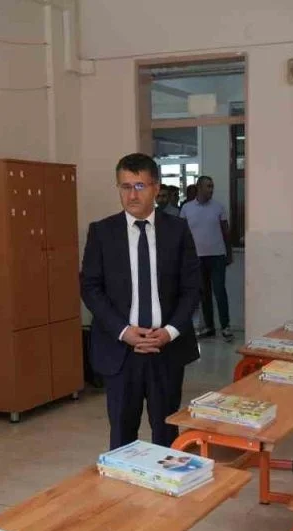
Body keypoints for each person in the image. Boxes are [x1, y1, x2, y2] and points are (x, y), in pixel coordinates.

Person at [81, 153, 201, 450]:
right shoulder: (102, 232)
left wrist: (170, 331)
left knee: (166, 432)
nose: (132, 195)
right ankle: (125, 482)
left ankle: (165, 480)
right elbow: (90, 288)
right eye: (125, 187)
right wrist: (124, 331)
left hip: (166, 349)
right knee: (122, 435)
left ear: (156, 188)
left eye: (139, 186)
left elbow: (192, 288)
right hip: (121, 350)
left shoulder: (177, 230)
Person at [180, 176, 233, 340]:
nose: (211, 189)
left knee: (219, 291)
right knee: (204, 294)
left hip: (217, 256)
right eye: (208, 186)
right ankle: (209, 327)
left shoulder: (218, 207)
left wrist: (229, 253)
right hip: (197, 258)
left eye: (212, 186)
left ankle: (226, 327)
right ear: (199, 187)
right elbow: (182, 235)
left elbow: (225, 232)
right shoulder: (187, 208)